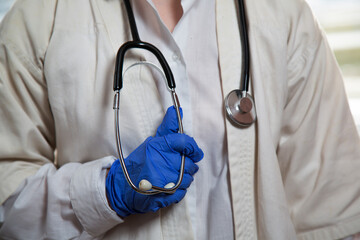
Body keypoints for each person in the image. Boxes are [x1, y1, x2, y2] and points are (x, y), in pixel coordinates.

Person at [0, 0, 359, 239]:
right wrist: (105, 193)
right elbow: (6, 198)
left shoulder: (284, 13)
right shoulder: (39, 18)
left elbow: (333, 213)